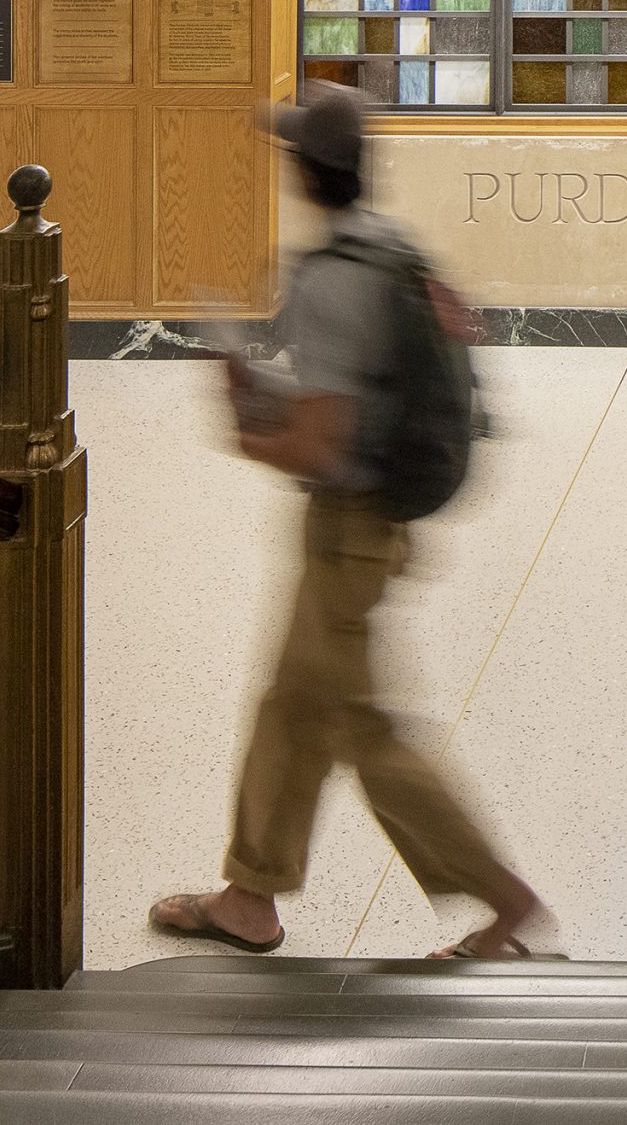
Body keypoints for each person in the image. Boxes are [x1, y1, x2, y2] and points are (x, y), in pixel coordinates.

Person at [149, 86, 548, 959]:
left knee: (364, 730)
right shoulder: (391, 248)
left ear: (302, 175)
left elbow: (317, 442)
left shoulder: (332, 284)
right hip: (377, 522)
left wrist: (242, 415)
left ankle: (506, 903)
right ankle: (249, 895)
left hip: (350, 529)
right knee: (293, 707)